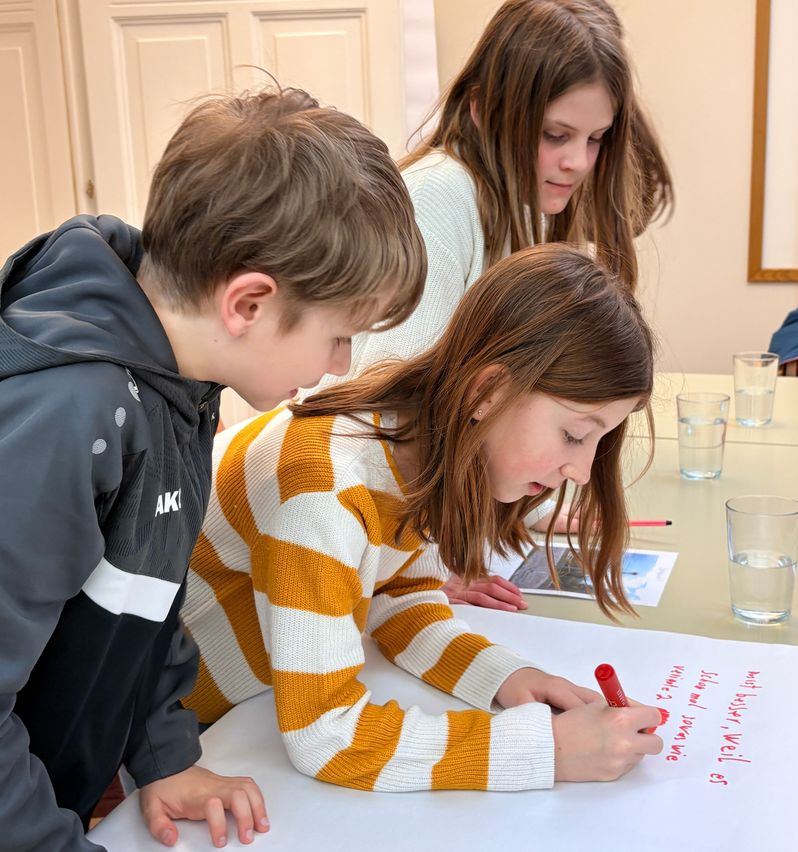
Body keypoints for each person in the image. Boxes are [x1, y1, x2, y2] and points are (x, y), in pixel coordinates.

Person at [0, 87, 425, 850]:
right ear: (249, 303)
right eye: (339, 335)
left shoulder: (180, 377)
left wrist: (163, 756)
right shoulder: (73, 415)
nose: (344, 364)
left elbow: (147, 592)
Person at [182, 244, 664, 794]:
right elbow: (325, 736)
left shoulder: (424, 447)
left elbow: (401, 599)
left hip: (235, 715)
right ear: (487, 391)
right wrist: (545, 751)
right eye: (575, 435)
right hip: (171, 737)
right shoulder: (323, 488)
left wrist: (508, 678)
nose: (581, 470)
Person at [312, 0, 673, 609]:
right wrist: (424, 565)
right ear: (482, 109)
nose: (578, 162)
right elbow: (383, 412)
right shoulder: (439, 199)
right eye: (555, 135)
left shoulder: (519, 206)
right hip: (354, 538)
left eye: (595, 139)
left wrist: (532, 486)